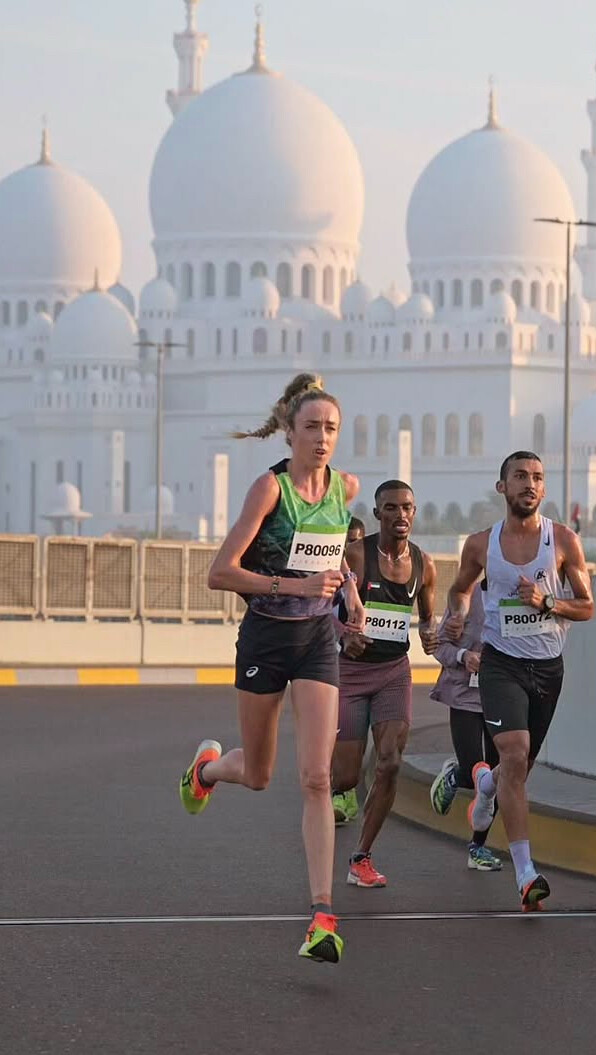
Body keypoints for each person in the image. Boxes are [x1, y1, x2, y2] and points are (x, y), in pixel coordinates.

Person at [178, 373, 364, 965]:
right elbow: (221, 572)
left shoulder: (346, 487)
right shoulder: (269, 490)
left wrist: (348, 593)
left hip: (317, 641)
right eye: (311, 427)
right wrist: (294, 586)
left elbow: (332, 553)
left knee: (316, 778)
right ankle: (207, 771)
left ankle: (322, 916)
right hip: (265, 639)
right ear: (289, 430)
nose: (322, 438)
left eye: (331, 428)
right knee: (259, 774)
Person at [445, 451, 595, 910]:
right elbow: (460, 588)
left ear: (543, 489)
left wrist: (548, 602)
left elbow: (587, 606)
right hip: (501, 664)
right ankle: (526, 873)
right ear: (502, 487)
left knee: (517, 770)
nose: (529, 484)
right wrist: (458, 614)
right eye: (520, 477)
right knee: (514, 753)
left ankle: (486, 787)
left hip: (548, 668)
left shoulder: (563, 540)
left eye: (537, 478)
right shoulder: (480, 545)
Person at [331, 480, 438, 887]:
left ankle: (361, 857)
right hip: (351, 674)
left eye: (407, 507)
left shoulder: (425, 564)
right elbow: (322, 608)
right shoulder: (356, 556)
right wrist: (344, 635)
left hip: (394, 672)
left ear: (415, 512)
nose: (400, 515)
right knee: (344, 778)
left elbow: (428, 618)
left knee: (390, 762)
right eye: (391, 508)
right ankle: (319, 782)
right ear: (377, 514)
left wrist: (431, 634)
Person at [428, 582, 504, 872]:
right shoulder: (466, 597)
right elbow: (439, 645)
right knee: (475, 773)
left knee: (499, 777)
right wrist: (465, 656)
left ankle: (478, 847)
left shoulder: (519, 598)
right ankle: (457, 774)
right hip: (464, 695)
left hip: (501, 698)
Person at [331, 515, 367, 826]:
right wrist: (343, 633)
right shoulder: (329, 575)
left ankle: (346, 791)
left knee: (355, 730)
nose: (352, 547)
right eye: (347, 542)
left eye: (357, 541)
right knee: (334, 729)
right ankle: (336, 789)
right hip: (329, 660)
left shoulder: (371, 575)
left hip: (364, 664)